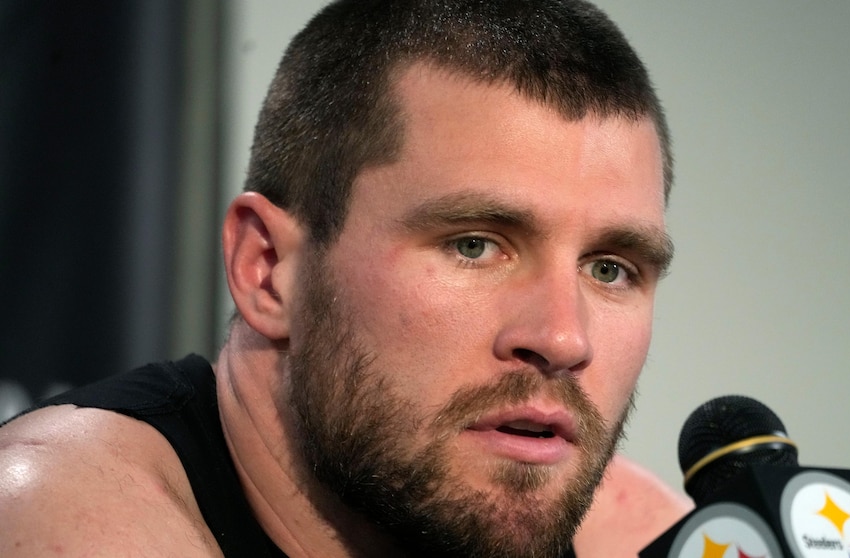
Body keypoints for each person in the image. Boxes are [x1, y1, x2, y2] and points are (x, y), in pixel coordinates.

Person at [0, 0, 691, 556]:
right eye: (475, 246)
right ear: (268, 271)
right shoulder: (62, 519)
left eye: (610, 268)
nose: (564, 338)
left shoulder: (641, 537)